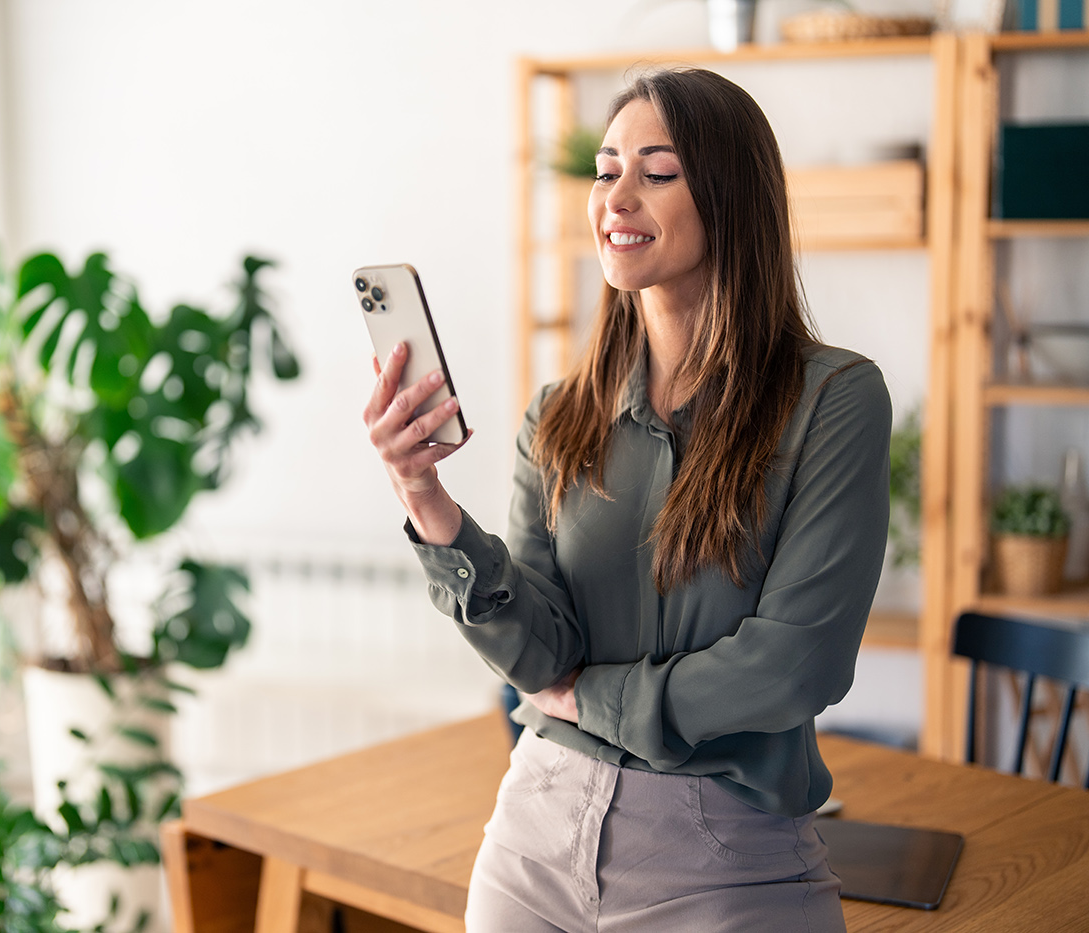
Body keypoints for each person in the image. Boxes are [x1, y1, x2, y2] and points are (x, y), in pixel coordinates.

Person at [363, 67, 890, 932]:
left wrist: (592, 700)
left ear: (730, 197)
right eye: (607, 170)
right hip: (532, 837)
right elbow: (542, 652)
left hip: (722, 861)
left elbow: (797, 664)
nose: (618, 194)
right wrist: (426, 500)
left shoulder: (833, 399)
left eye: (658, 170)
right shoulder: (560, 413)